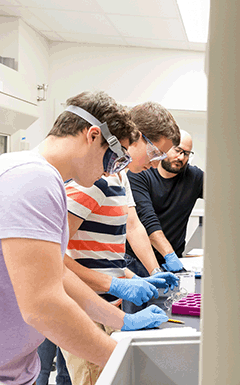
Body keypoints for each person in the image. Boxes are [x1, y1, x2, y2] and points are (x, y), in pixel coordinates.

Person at [0, 90, 167, 385]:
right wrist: (123, 361)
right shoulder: (33, 178)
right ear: (92, 136)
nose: (111, 170)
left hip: (15, 369)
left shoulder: (42, 178)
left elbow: (58, 277)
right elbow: (43, 305)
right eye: (115, 157)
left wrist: (121, 320)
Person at [59, 101, 181, 385]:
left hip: (104, 306)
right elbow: (54, 256)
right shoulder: (92, 180)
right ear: (135, 136)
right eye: (154, 152)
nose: (154, 163)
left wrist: (139, 277)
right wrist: (116, 284)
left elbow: (112, 243)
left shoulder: (119, 178)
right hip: (83, 308)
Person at [125, 130, 204, 285]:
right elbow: (148, 221)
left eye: (187, 153)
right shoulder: (141, 173)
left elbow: (223, 197)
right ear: (165, 148)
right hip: (137, 261)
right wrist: (169, 255)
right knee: (139, 305)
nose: (181, 157)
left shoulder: (194, 177)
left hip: (174, 262)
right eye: (177, 150)